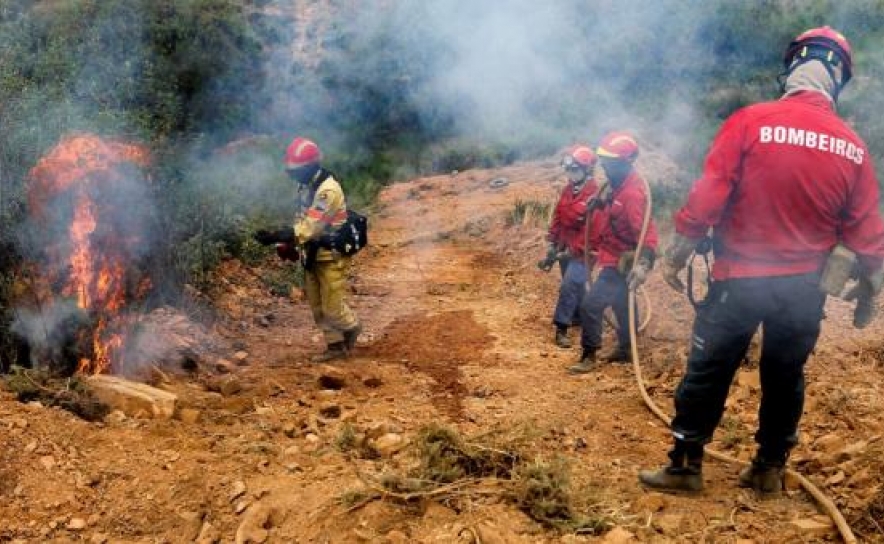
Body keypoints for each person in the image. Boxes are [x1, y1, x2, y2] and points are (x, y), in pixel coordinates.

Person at [639, 27, 884, 495]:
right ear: (839, 79)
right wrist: (873, 281)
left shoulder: (750, 121)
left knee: (710, 367)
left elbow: (711, 193)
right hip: (804, 290)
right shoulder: (853, 147)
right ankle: (769, 469)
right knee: (785, 374)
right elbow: (866, 227)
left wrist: (681, 245)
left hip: (741, 279)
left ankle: (686, 466)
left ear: (792, 67)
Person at [256, 137, 361, 362]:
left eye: (296, 171)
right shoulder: (306, 185)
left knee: (332, 306)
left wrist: (282, 235)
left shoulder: (327, 191)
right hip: (312, 253)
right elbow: (302, 218)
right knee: (317, 306)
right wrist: (287, 244)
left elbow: (312, 226)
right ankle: (335, 347)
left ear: (310, 167)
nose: (292, 175)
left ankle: (351, 327)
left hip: (330, 255)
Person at [567, 131, 658, 374]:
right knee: (621, 304)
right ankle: (626, 349)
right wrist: (600, 203)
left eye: (609, 163)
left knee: (590, 305)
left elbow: (646, 233)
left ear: (623, 163)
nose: (604, 167)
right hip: (610, 255)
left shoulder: (633, 194)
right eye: (603, 161)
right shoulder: (618, 185)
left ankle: (589, 355)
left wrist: (644, 264)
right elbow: (615, 211)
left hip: (622, 262)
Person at [543, 145, 599, 348]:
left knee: (569, 285)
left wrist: (572, 250)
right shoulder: (569, 189)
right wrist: (552, 243)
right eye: (569, 170)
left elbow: (592, 230)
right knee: (575, 283)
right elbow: (559, 216)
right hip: (565, 246)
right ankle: (578, 316)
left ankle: (561, 328)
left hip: (584, 250)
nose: (571, 174)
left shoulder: (595, 195)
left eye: (575, 170)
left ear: (587, 170)